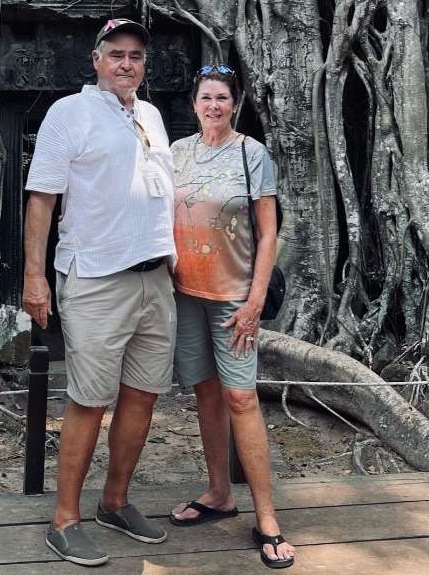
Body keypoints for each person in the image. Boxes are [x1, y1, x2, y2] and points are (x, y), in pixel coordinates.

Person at [22, 18, 176, 567]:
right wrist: (34, 277)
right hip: (94, 278)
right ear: (96, 59)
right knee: (88, 400)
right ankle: (65, 518)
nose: (126, 64)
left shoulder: (153, 117)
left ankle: (115, 500)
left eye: (136, 56)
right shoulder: (70, 113)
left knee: (143, 393)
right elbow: (42, 197)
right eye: (117, 54)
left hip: (156, 279)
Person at [168, 66, 295, 569]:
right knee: (205, 392)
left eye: (222, 97)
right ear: (194, 103)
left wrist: (256, 298)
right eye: (205, 98)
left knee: (241, 397)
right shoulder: (177, 153)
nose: (213, 106)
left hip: (233, 298)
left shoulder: (251, 154)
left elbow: (269, 233)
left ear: (235, 102)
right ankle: (220, 491)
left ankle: (267, 518)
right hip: (185, 294)